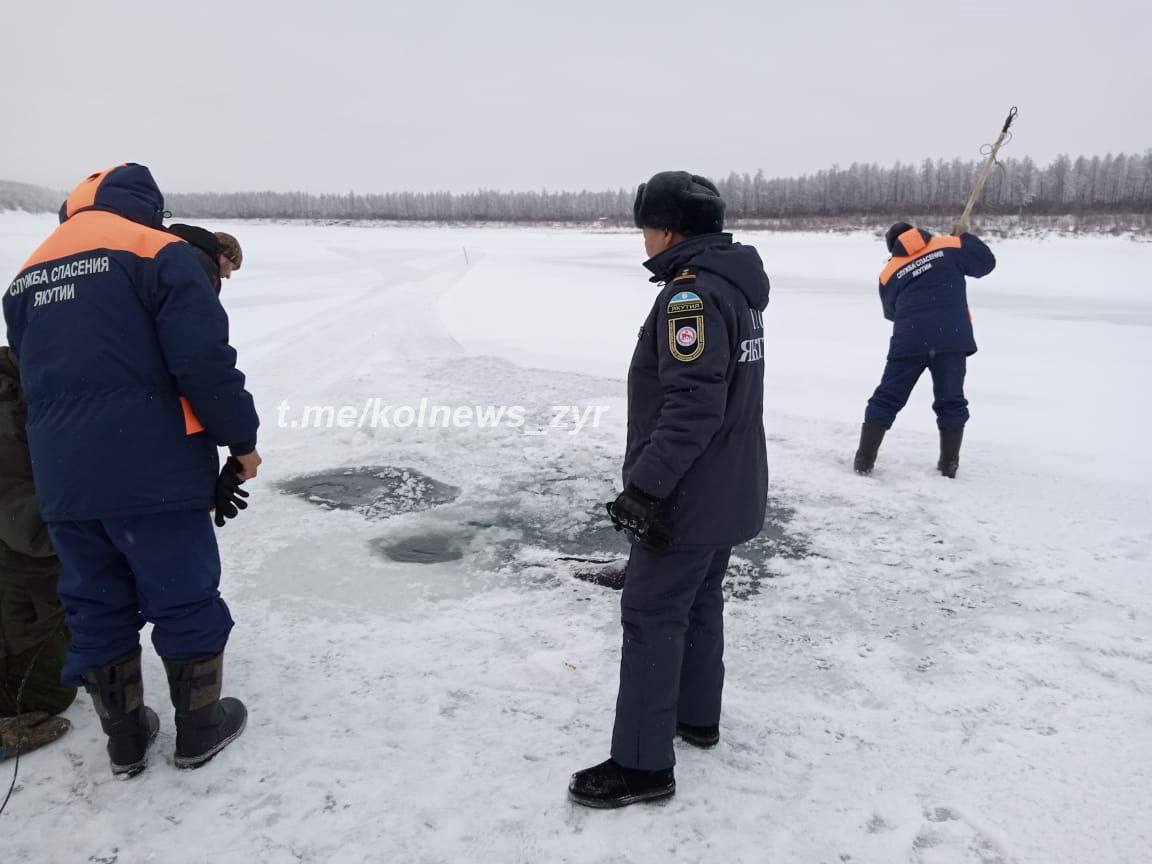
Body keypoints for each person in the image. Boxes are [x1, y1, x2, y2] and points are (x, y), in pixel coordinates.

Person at [2, 164, 261, 778]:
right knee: (182, 590)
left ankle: (124, 740)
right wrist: (241, 441)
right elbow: (202, 361)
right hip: (152, 467)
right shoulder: (157, 250)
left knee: (93, 599)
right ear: (146, 205)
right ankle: (198, 728)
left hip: (63, 477)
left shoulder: (27, 274)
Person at [569, 172, 770, 808]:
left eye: (646, 229)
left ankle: (641, 765)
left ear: (669, 229)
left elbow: (691, 407)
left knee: (652, 615)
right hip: (727, 488)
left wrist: (644, 491)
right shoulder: (733, 286)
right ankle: (694, 718)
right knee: (700, 602)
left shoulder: (692, 297)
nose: (644, 242)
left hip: (688, 494)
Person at [854, 221, 996, 478]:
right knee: (951, 400)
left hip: (909, 340)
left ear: (893, 246)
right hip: (951, 337)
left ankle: (863, 460)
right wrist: (965, 237)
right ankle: (949, 465)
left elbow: (891, 313)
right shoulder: (949, 245)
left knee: (887, 398)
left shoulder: (888, 272)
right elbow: (985, 262)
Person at [1, 347, 75, 763]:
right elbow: (26, 527)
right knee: (50, 689)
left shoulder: (33, 389)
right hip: (17, 570)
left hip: (31, 576)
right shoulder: (10, 409)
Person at [166, 225, 243, 294]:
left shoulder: (184, 252)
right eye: (231, 268)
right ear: (224, 254)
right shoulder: (206, 270)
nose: (228, 276)